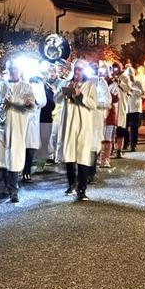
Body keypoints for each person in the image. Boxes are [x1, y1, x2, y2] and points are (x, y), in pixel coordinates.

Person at [0, 60, 35, 203]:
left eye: (15, 69)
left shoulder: (26, 86)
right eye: (11, 69)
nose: (13, 71)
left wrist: (23, 103)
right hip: (1, 127)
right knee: (3, 159)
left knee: (14, 158)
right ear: (7, 70)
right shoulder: (0, 85)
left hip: (17, 127)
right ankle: (8, 185)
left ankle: (13, 190)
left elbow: (32, 106)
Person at [56, 59, 99, 201]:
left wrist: (80, 95)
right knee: (69, 156)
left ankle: (82, 189)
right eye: (75, 70)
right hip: (69, 125)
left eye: (80, 70)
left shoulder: (90, 85)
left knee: (82, 157)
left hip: (83, 125)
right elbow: (56, 99)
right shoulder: (66, 83)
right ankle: (71, 184)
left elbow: (93, 104)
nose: (77, 73)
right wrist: (65, 91)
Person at [23, 73, 47, 182]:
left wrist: (36, 101)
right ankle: (20, 169)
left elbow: (43, 102)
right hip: (22, 119)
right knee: (21, 146)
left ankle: (27, 171)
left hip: (33, 120)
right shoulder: (23, 83)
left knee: (31, 148)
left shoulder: (39, 86)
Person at [113, 62, 130, 157]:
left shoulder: (125, 77)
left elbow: (127, 88)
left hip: (121, 104)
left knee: (120, 128)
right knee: (111, 128)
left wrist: (118, 81)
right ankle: (110, 149)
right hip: (112, 105)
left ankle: (119, 149)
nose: (115, 70)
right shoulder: (110, 77)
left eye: (117, 68)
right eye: (114, 68)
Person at [125, 68, 144, 152]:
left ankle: (133, 144)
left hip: (135, 107)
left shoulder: (138, 81)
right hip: (126, 107)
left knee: (134, 127)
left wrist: (133, 91)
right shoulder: (124, 81)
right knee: (124, 126)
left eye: (130, 74)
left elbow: (142, 92)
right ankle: (125, 143)